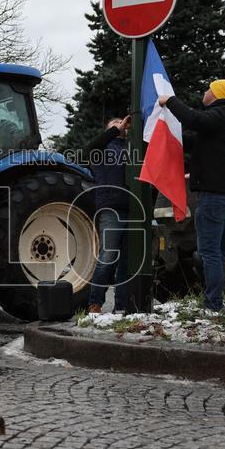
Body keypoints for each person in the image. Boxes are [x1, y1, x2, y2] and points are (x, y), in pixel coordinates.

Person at [158, 80, 225, 312]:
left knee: (209, 251)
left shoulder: (220, 114)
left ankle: (213, 303)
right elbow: (197, 141)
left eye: (209, 88)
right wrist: (171, 137)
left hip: (212, 195)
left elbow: (195, 120)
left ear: (218, 94)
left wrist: (169, 101)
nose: (205, 91)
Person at [84, 115, 132, 314]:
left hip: (132, 210)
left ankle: (121, 305)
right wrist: (114, 130)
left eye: (122, 124)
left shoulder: (131, 148)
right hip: (111, 209)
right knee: (108, 257)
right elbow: (87, 149)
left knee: (127, 262)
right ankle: (95, 303)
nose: (120, 126)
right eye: (114, 124)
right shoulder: (101, 149)